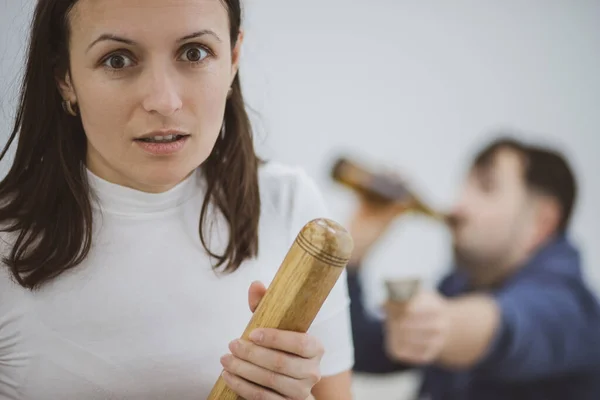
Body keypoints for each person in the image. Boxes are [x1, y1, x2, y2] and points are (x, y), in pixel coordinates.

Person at [0, 1, 354, 399]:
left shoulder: (290, 207)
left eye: (194, 53)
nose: (163, 101)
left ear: (234, 58)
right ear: (64, 76)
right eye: (117, 60)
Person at [346, 136, 600, 399]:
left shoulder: (571, 308)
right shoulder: (459, 285)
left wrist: (442, 325)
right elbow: (358, 350)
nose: (459, 205)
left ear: (542, 221)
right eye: (465, 185)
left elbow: (508, 328)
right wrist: (353, 247)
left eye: (486, 188)